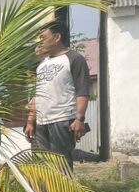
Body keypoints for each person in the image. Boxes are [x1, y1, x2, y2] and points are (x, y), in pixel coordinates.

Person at [25, 21, 90, 169]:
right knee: (42, 166)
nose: (39, 41)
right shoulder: (42, 64)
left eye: (43, 37)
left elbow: (82, 91)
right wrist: (30, 121)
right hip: (41, 122)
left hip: (62, 120)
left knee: (60, 166)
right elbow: (38, 94)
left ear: (56, 37)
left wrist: (79, 119)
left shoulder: (74, 59)